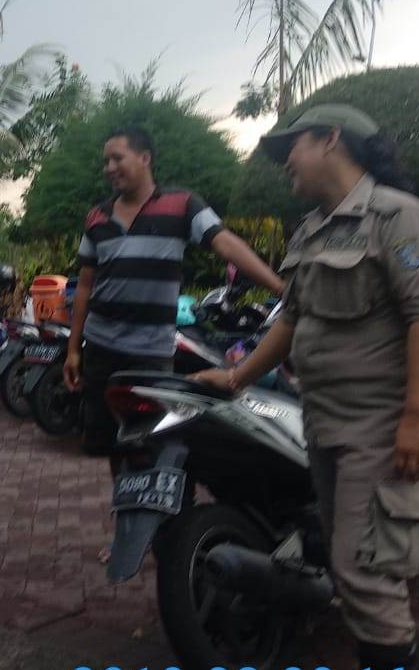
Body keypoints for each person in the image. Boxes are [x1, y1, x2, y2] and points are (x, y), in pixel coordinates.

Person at [192, 105, 419, 670]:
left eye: (294, 145)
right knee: (347, 563)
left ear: (332, 139)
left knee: (367, 574)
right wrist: (236, 377)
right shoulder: (312, 230)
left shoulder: (399, 218)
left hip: (381, 429)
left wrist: (416, 418)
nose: (286, 160)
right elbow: (292, 319)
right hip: (324, 423)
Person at [65, 126, 284, 468]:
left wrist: (281, 288)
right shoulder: (97, 216)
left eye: (117, 158)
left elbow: (226, 244)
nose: (109, 168)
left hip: (150, 353)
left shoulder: (182, 204)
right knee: (110, 446)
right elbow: (84, 285)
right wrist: (73, 349)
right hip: (100, 350)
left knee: (149, 447)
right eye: (105, 161)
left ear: (145, 158)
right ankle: (123, 499)